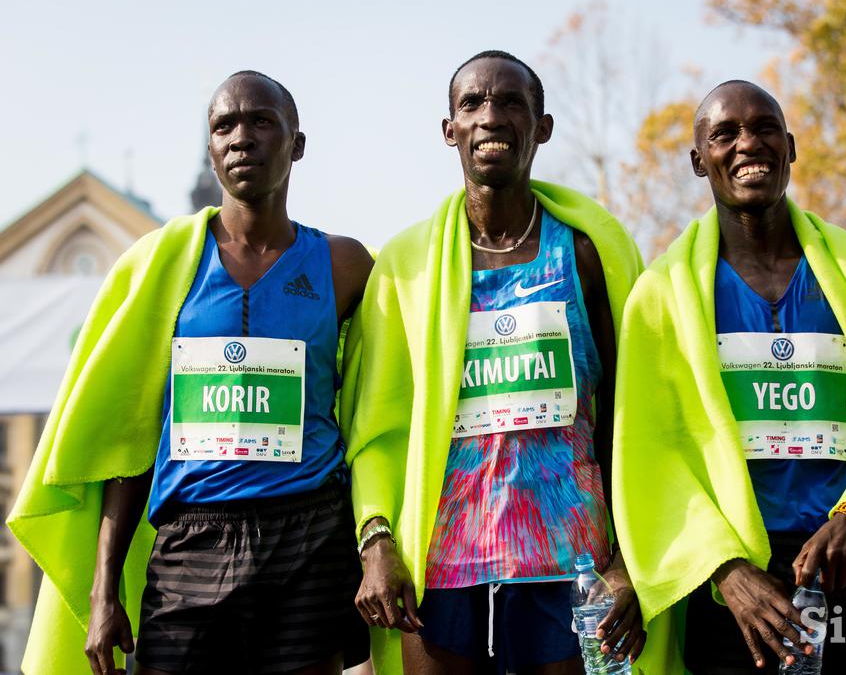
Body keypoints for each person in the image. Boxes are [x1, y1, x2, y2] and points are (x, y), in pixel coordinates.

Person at [8, 71, 373, 675]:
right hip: (190, 546)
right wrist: (104, 592)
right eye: (224, 126)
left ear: (297, 143)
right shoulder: (162, 268)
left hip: (309, 537)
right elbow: (130, 441)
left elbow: (381, 405)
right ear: (210, 150)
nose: (241, 138)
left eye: (261, 122)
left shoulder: (345, 265)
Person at [612, 80, 846, 674]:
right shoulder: (662, 295)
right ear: (697, 161)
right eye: (724, 133)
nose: (747, 144)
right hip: (735, 594)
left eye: (764, 128)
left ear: (791, 146)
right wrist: (726, 572)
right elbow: (651, 458)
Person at [340, 50, 645, 674]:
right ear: (449, 129)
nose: (491, 118)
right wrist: (376, 539)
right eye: (472, 104)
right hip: (442, 559)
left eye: (511, 103)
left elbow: (625, 413)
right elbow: (375, 425)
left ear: (543, 126)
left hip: (570, 557)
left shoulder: (586, 255)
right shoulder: (406, 268)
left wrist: (630, 557)